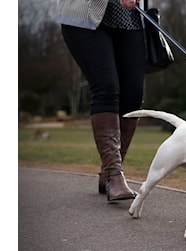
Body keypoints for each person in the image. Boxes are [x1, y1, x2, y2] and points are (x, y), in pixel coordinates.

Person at [57, 0, 145, 200]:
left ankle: (108, 173)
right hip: (84, 17)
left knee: (133, 95)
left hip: (130, 19)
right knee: (106, 87)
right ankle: (115, 174)